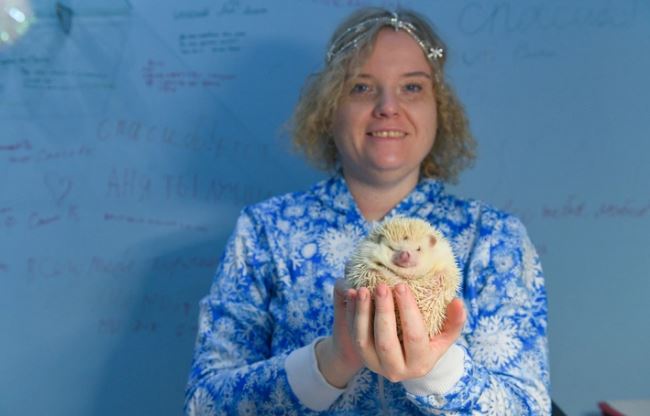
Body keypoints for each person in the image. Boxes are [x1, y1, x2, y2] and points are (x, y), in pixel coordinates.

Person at [184, 7, 550, 415]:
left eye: (412, 87)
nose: (388, 107)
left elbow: (529, 408)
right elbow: (203, 406)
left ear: (440, 109)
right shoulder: (265, 230)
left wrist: (435, 371)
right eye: (361, 87)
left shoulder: (494, 237)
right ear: (329, 107)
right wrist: (328, 362)